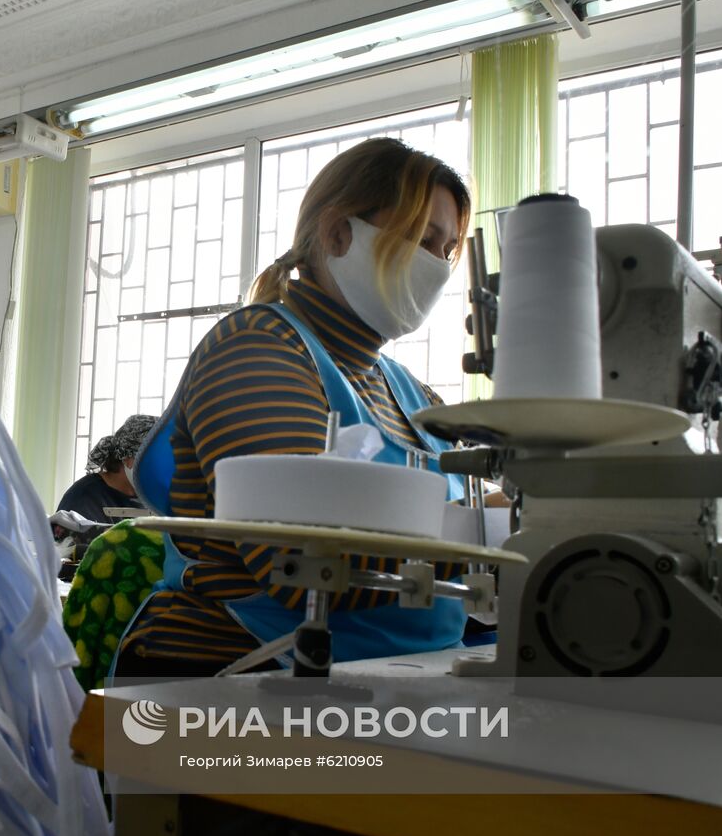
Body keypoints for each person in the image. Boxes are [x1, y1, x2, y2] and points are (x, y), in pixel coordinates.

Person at [115, 137, 471, 679]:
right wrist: (483, 546)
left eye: (446, 252)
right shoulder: (257, 347)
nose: (437, 268)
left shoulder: (414, 394)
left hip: (393, 678)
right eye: (423, 240)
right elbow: (297, 564)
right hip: (240, 675)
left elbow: (475, 510)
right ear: (337, 233)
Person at [53, 413, 157, 536]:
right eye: (155, 460)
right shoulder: (84, 498)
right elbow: (71, 550)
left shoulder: (152, 500)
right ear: (128, 457)